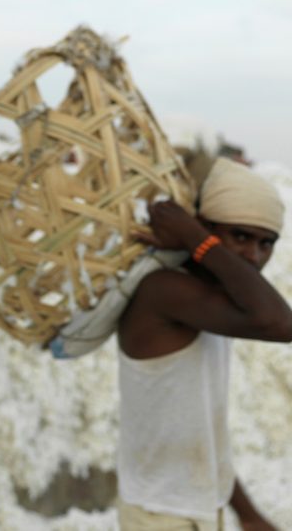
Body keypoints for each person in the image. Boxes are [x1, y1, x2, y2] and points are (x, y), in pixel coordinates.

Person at [116, 156, 292, 530]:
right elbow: (281, 323)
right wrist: (196, 239)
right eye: (240, 236)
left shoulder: (213, 306)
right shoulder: (164, 291)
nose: (253, 256)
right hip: (158, 515)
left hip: (198, 510)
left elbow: (203, 431)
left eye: (267, 243)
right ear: (203, 230)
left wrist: (246, 514)